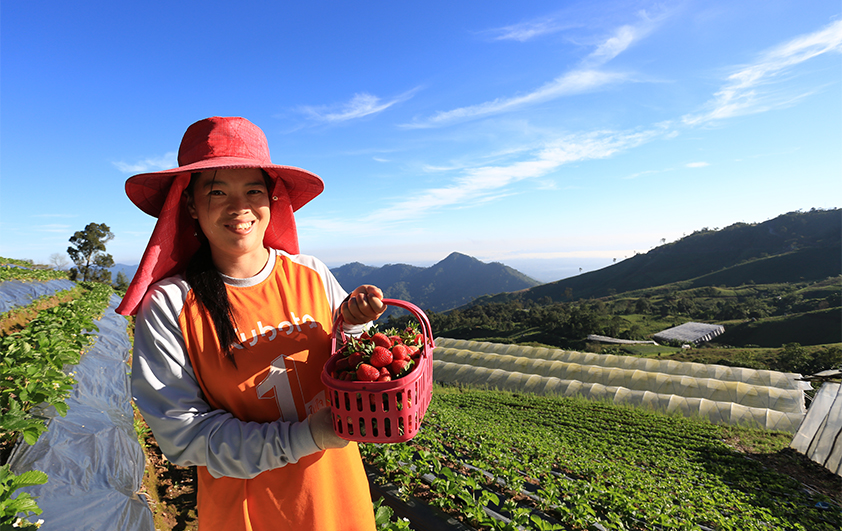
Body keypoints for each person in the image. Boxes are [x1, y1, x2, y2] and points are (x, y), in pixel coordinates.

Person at [116, 116, 385, 530]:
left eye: (253, 190)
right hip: (249, 515)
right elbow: (182, 435)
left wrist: (351, 326)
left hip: (339, 497)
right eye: (217, 190)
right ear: (189, 203)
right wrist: (307, 436)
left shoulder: (311, 273)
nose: (239, 207)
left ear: (271, 200)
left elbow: (349, 365)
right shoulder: (171, 304)